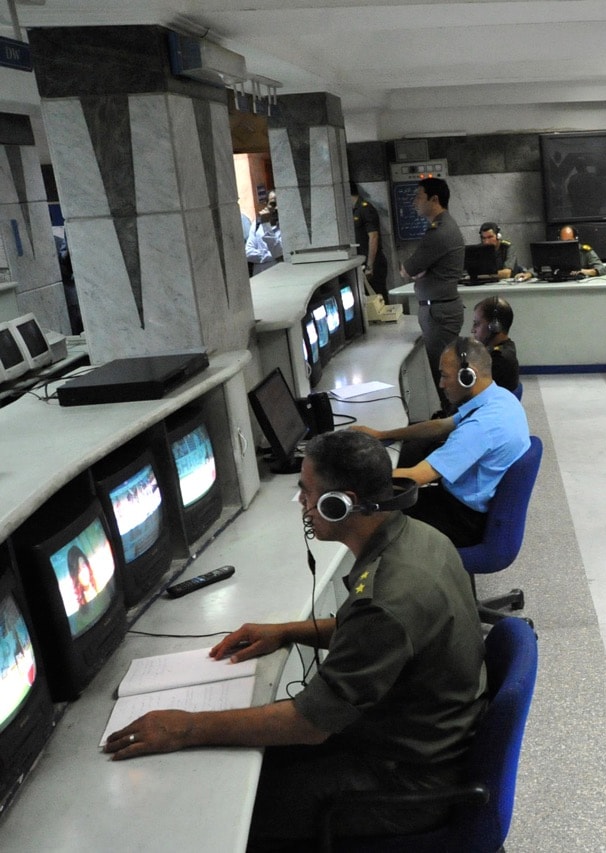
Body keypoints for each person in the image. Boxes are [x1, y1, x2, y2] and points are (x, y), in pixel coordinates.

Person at [102, 430, 488, 847]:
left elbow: (310, 724)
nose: (302, 504)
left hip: (408, 783)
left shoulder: (387, 600)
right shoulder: (421, 539)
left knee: (247, 810)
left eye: (307, 492)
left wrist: (185, 728)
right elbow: (375, 636)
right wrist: (288, 631)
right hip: (421, 738)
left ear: (341, 502)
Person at [351, 337, 530, 548]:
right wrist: (382, 434)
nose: (441, 384)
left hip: (462, 521)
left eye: (445, 376)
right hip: (468, 507)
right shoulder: (500, 398)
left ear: (467, 376)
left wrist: (348, 477)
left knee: (369, 516)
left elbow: (414, 477)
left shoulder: (479, 428)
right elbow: (440, 426)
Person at [401, 177, 465, 398]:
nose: (414, 203)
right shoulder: (444, 226)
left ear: (434, 199)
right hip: (441, 310)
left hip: (439, 314)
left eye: (418, 196)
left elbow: (406, 270)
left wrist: (418, 271)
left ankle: (452, 422)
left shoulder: (439, 232)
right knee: (447, 373)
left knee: (445, 375)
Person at [472, 296, 519, 393]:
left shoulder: (498, 360)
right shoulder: (508, 347)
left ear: (494, 326)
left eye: (477, 324)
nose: (473, 330)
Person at [351, 183, 388, 298]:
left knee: (378, 298)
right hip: (362, 263)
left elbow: (373, 237)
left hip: (373, 263)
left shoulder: (365, 208)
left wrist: (369, 266)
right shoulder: (354, 210)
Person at [254, 191, 284, 273]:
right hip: (260, 275)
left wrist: (266, 224)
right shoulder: (256, 224)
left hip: (278, 273)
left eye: (280, 203)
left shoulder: (285, 227)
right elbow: (248, 252)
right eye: (273, 204)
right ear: (266, 205)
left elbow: (278, 253)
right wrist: (272, 257)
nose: (277, 208)